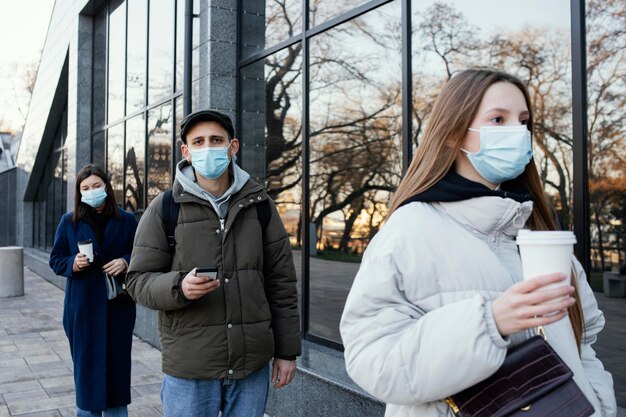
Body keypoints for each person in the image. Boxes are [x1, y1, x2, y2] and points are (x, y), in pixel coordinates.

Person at [340, 69, 616, 417]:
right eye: (498, 119)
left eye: (524, 121)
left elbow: (582, 344)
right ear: (455, 132)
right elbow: (373, 359)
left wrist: (600, 407)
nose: (517, 132)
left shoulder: (536, 231)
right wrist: (490, 322)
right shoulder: (410, 229)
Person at [126, 109, 301, 417]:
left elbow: (281, 284)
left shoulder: (260, 206)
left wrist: (287, 352)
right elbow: (137, 281)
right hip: (190, 368)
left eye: (216, 140)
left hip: (250, 368)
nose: (208, 147)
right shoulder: (164, 208)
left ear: (233, 147)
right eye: (199, 141)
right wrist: (179, 286)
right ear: (186, 151)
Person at [49, 164, 138, 417]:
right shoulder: (69, 222)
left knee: (117, 377)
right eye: (85, 188)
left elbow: (144, 253)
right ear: (79, 192)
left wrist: (126, 261)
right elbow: (55, 259)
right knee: (87, 380)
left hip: (117, 308)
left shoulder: (127, 220)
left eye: (96, 186)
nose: (91, 191)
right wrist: (72, 263)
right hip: (82, 310)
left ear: (107, 187)